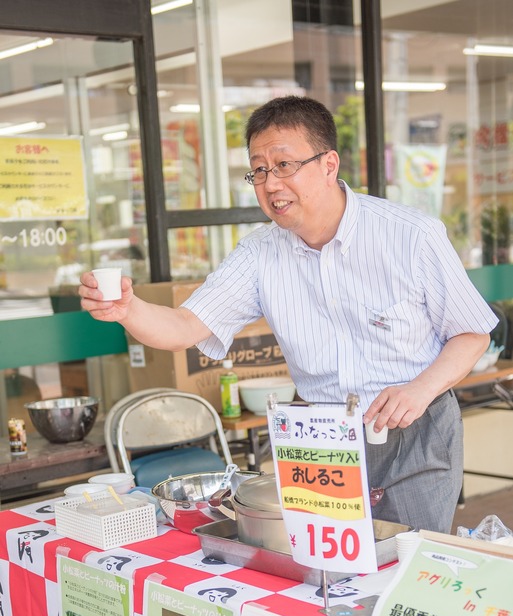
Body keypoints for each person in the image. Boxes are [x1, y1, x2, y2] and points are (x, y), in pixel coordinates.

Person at [79, 95, 498, 533]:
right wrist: (129, 309)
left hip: (414, 432)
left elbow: (472, 333)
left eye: (283, 165)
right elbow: (184, 326)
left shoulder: (411, 236)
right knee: (321, 575)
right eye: (258, 170)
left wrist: (419, 389)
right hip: (320, 440)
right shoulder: (260, 253)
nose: (270, 183)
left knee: (410, 562)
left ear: (329, 164)